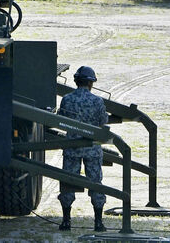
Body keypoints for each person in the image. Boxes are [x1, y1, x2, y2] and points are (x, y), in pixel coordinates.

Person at [57, 65, 108, 232]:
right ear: (91, 83)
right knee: (96, 183)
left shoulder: (67, 99)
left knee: (67, 182)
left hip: (71, 147)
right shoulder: (98, 101)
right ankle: (98, 223)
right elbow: (102, 122)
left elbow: (60, 120)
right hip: (92, 149)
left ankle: (66, 221)